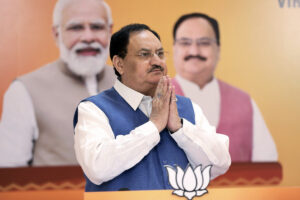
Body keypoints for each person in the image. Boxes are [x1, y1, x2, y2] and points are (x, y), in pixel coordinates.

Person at [74, 23, 231, 191]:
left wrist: (180, 129)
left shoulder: (188, 107)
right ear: (119, 64)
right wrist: (154, 126)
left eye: (160, 54)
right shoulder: (93, 109)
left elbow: (220, 164)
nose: (157, 61)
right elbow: (98, 167)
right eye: (144, 54)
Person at [0, 0, 115, 167]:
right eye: (76, 28)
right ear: (56, 34)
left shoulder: (130, 83)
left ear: (110, 31)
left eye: (97, 27)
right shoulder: (24, 90)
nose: (88, 37)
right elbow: (9, 174)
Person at [172, 13, 278, 162]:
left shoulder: (244, 102)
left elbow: (267, 163)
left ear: (218, 49)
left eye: (204, 42)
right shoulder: (153, 98)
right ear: (174, 49)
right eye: (185, 43)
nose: (194, 51)